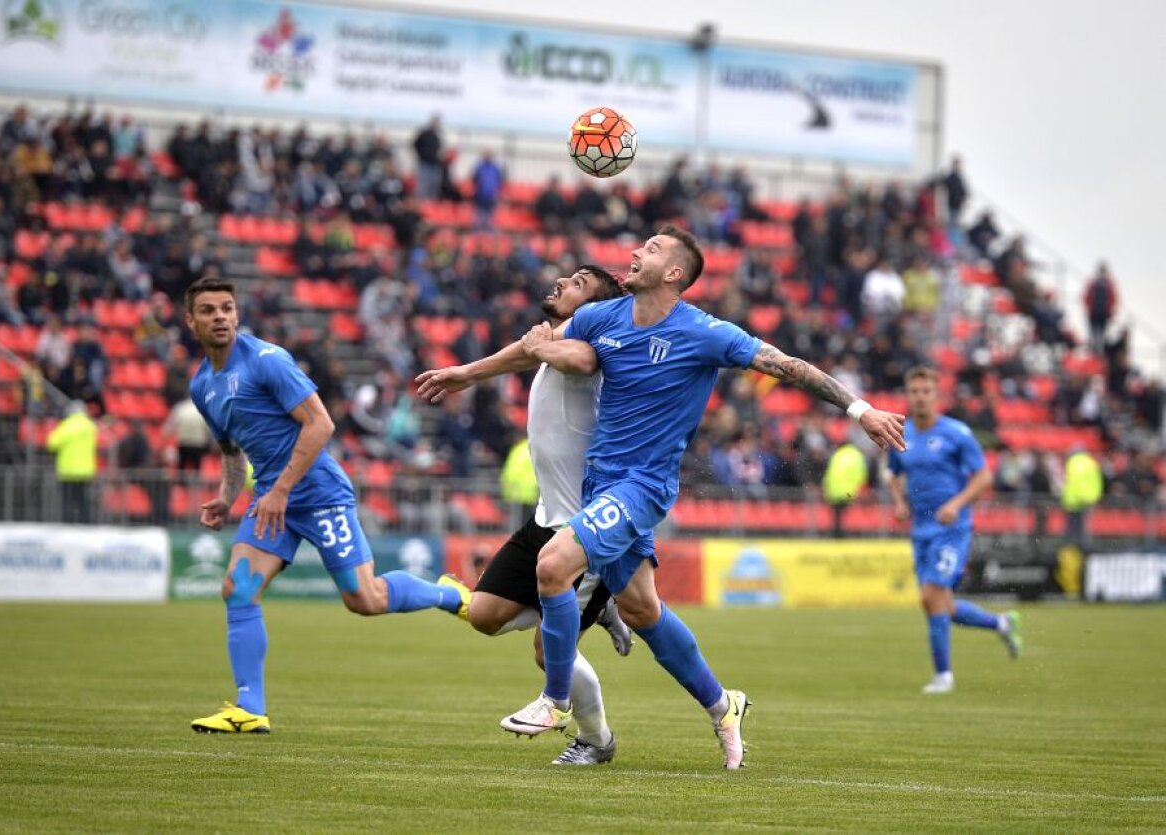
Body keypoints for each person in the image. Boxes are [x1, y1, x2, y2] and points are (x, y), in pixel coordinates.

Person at [417, 226, 907, 768]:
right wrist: (467, 373)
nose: (635, 251)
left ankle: (555, 702)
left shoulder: (704, 332)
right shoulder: (603, 316)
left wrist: (861, 410)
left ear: (674, 273)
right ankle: (723, 705)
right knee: (642, 609)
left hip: (643, 487)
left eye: (651, 249)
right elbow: (538, 346)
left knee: (552, 565)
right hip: (599, 484)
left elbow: (788, 365)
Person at [183, 276, 468, 735]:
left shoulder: (267, 361)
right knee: (238, 587)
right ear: (190, 321)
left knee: (365, 599)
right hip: (273, 498)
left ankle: (448, 594)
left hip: (316, 491)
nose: (220, 317)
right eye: (208, 310)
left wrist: (280, 490)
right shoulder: (203, 386)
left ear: (237, 314)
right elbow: (232, 452)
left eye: (226, 308)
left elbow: (321, 424)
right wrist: (226, 497)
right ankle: (249, 708)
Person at [436, 266, 631, 766]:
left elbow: (573, 359)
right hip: (545, 518)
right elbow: (529, 352)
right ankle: (598, 609)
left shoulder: (591, 348)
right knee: (484, 616)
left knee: (549, 655)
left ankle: (597, 741)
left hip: (583, 530)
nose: (562, 282)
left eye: (578, 283)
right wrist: (467, 374)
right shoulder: (555, 342)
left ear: (594, 310)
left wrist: (540, 345)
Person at [887, 367, 1022, 695]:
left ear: (937, 395)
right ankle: (1001, 623)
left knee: (931, 595)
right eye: (914, 391)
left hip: (952, 529)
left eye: (926, 391)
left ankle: (943, 676)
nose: (920, 397)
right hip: (921, 530)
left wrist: (956, 504)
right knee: (938, 603)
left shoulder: (957, 433)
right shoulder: (901, 433)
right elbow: (894, 474)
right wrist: (900, 502)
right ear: (908, 395)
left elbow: (984, 477)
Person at [46, 400, 98, 524]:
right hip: (86, 470)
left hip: (68, 470)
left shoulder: (67, 426)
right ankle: (86, 524)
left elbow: (52, 443)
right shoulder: (90, 427)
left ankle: (68, 524)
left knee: (67, 500)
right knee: (83, 500)